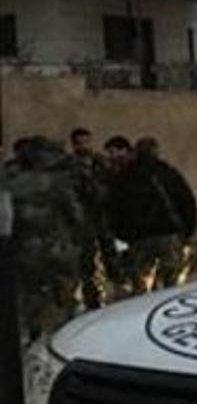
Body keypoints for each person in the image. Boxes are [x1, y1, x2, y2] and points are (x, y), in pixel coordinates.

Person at [5, 137, 86, 345]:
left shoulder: (10, 184)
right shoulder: (58, 182)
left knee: (30, 299)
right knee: (63, 298)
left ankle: (32, 337)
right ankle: (61, 340)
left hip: (24, 251)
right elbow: (77, 216)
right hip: (58, 249)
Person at [108, 138, 197, 293]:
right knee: (173, 286)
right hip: (168, 235)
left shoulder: (125, 176)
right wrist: (187, 231)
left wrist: (122, 235)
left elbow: (115, 208)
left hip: (139, 239)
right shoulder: (167, 172)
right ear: (156, 151)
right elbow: (186, 201)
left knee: (141, 287)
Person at [69, 127, 117, 309]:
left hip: (103, 217)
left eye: (86, 142)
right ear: (74, 144)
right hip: (84, 220)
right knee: (86, 263)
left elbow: (112, 184)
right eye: (80, 143)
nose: (84, 146)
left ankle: (117, 294)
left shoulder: (100, 162)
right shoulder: (70, 166)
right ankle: (92, 301)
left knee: (111, 257)